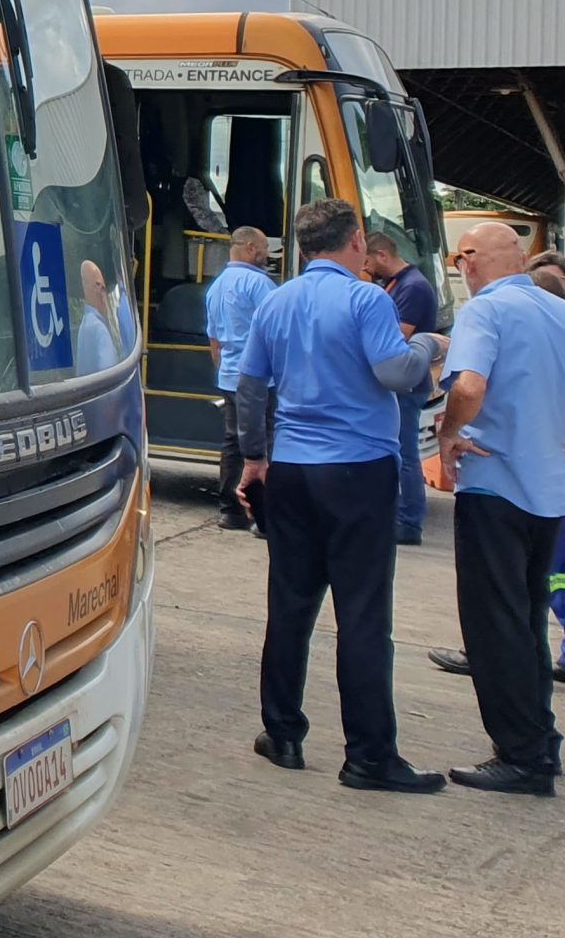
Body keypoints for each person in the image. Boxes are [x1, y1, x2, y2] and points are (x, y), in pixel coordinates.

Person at [232, 199, 446, 792]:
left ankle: (282, 733)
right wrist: (429, 347)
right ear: (355, 241)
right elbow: (395, 374)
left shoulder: (276, 301)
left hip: (294, 469)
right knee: (362, 615)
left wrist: (254, 459)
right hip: (358, 468)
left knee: (291, 605)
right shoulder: (367, 299)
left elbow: (251, 387)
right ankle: (370, 756)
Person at [426, 223, 565, 794]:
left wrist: (449, 432)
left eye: (460, 256)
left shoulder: (484, 312)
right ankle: (539, 741)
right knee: (526, 621)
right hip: (551, 489)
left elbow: (468, 386)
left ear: (469, 260)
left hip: (495, 483)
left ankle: (522, 755)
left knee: (494, 625)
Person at [365, 233, 442, 545]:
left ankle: (409, 521)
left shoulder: (412, 287)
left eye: (368, 262)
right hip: (405, 381)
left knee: (404, 452)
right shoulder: (400, 284)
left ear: (382, 255)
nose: (366, 269)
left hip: (408, 383)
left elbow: (398, 336)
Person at [205, 227, 275, 532]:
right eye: (262, 247)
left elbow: (214, 341)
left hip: (229, 375)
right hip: (259, 379)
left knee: (233, 442)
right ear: (248, 248)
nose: (267, 254)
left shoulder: (216, 287)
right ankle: (261, 515)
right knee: (263, 443)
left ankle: (230, 511)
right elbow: (278, 328)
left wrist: (224, 371)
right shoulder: (259, 284)